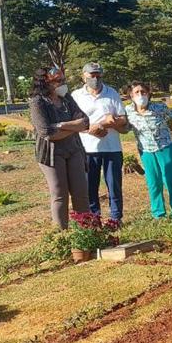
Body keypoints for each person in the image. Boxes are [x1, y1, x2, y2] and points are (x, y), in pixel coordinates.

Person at [28, 67, 90, 229]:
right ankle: (62, 235)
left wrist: (61, 125)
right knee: (59, 194)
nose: (62, 83)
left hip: (74, 149)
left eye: (63, 79)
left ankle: (85, 232)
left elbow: (85, 122)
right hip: (51, 154)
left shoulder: (67, 98)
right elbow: (47, 132)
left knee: (81, 193)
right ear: (45, 83)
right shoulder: (38, 102)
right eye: (58, 80)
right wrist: (73, 126)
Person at [71, 62, 127, 223]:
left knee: (114, 185)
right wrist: (90, 129)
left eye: (98, 75)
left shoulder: (111, 93)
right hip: (87, 148)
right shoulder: (76, 96)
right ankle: (94, 218)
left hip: (112, 147)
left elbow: (122, 118)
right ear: (84, 76)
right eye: (92, 75)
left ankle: (116, 218)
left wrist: (106, 123)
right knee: (90, 187)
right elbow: (72, 122)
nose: (95, 78)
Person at [124, 82, 172, 219]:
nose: (140, 95)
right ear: (131, 95)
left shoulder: (159, 107)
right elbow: (125, 128)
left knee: (171, 179)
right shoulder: (128, 111)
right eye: (137, 92)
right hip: (146, 150)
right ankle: (158, 213)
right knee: (153, 181)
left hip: (165, 147)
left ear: (148, 94)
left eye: (143, 92)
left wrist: (170, 130)